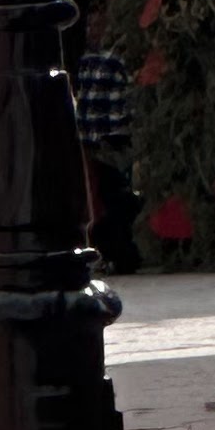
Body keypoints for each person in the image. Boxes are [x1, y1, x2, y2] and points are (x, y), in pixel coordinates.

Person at [73, 29, 139, 268]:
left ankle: (118, 252)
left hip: (109, 138)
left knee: (111, 199)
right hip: (98, 138)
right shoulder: (89, 60)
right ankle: (113, 252)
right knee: (103, 199)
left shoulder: (108, 60)